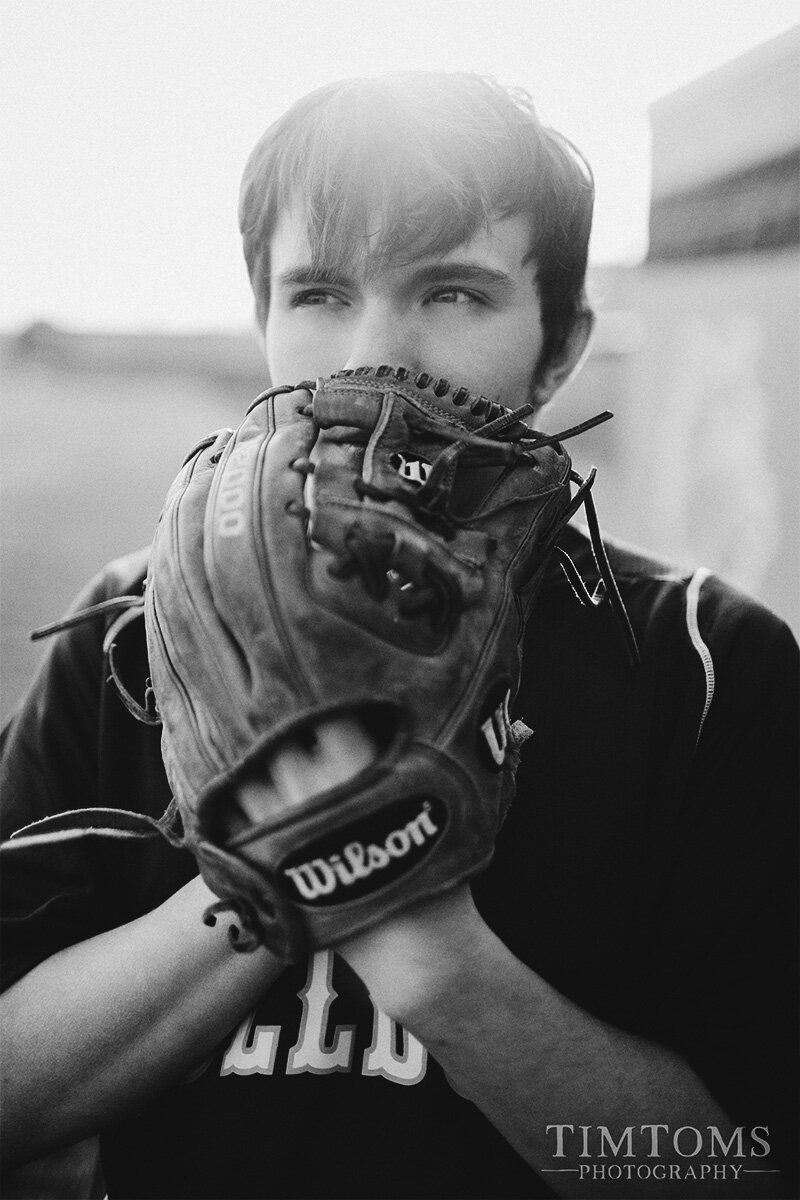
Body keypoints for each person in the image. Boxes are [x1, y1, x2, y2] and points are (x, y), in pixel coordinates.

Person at [1, 72, 797, 1200]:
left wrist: (435, 956)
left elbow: (745, 1176)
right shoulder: (129, 637)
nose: (371, 357)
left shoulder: (706, 665)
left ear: (559, 348)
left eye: (454, 294)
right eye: (320, 291)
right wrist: (275, 875)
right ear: (263, 320)